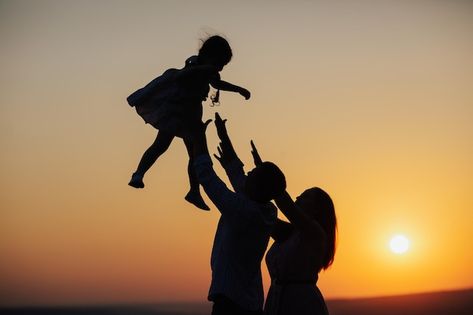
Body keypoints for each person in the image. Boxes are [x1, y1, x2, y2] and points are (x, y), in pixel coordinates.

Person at [127, 35, 251, 211]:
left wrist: (238, 89)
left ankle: (194, 191)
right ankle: (139, 173)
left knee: (194, 155)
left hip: (192, 116)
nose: (220, 67)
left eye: (223, 65)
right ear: (207, 55)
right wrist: (203, 69)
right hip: (177, 113)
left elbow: (217, 84)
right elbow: (181, 76)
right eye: (219, 62)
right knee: (161, 144)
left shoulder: (210, 72)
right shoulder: (193, 63)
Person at [190, 113, 286, 315]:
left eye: (253, 173)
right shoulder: (266, 210)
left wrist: (198, 139)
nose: (248, 173)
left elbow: (210, 181)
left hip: (231, 304)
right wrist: (224, 136)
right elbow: (239, 177)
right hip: (248, 302)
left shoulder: (244, 211)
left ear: (259, 187)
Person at [250, 141, 337, 315]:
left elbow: (286, 205)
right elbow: (262, 213)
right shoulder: (289, 232)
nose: (298, 197)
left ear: (317, 208)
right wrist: (257, 178)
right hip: (276, 302)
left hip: (302, 304)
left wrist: (268, 177)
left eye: (305, 197)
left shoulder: (315, 234)